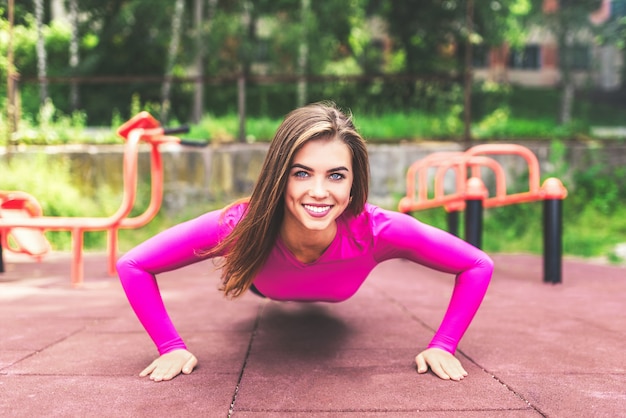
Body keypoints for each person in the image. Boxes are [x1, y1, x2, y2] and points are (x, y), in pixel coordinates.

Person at [116, 102, 493, 383]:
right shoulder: (239, 225)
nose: (318, 192)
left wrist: (443, 344)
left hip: (334, 290)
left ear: (353, 182)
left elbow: (477, 264)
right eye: (301, 173)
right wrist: (171, 346)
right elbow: (133, 264)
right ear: (279, 177)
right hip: (266, 285)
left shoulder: (378, 230)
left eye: (335, 176)